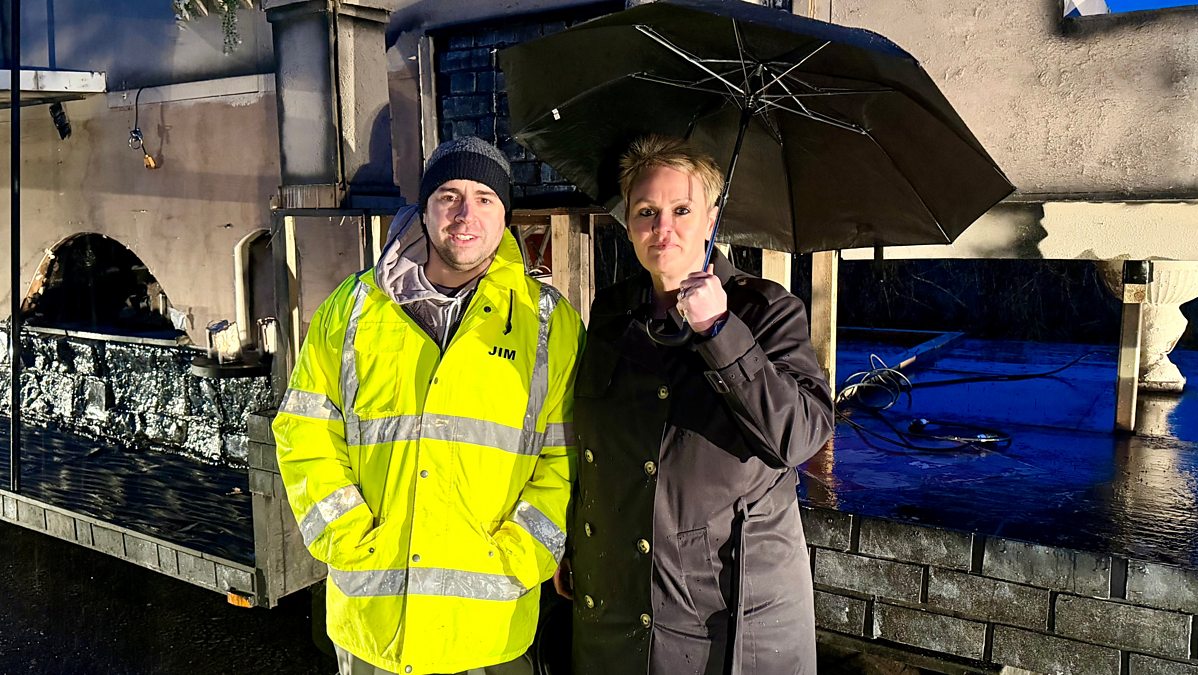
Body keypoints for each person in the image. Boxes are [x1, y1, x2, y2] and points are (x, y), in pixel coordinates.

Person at [273, 136, 584, 675]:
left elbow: (566, 459)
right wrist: (348, 538)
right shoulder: (353, 309)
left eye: (485, 198)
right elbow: (304, 432)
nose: (465, 215)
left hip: (489, 630)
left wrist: (517, 556)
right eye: (449, 196)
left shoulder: (547, 324)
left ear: (505, 216)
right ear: (424, 209)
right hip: (374, 626)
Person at [566, 135, 835, 675]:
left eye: (682, 210)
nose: (663, 228)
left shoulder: (766, 310)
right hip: (615, 605)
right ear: (628, 223)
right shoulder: (613, 311)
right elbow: (594, 444)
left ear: (712, 218)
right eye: (646, 212)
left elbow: (799, 437)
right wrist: (575, 539)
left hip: (728, 620)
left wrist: (719, 329)